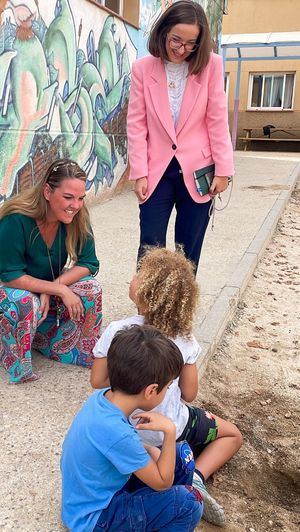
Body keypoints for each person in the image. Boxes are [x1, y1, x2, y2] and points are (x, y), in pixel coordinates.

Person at [91, 248, 243, 526]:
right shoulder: (185, 341)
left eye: (139, 274)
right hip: (171, 426)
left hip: (127, 431)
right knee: (232, 435)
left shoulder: (117, 331)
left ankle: (182, 473)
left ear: (147, 293)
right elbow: (189, 393)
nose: (133, 277)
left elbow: (97, 381)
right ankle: (197, 476)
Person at [61, 325, 203, 532]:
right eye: (168, 386)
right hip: (96, 518)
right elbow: (162, 483)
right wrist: (170, 431)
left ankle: (161, 514)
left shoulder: (103, 400)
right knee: (189, 504)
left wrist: (150, 450)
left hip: (96, 497)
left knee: (183, 456)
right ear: (151, 390)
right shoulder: (116, 431)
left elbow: (114, 448)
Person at [127, 0, 234, 273]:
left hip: (199, 171)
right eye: (176, 39)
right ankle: (147, 309)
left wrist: (223, 170)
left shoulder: (211, 66)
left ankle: (177, 312)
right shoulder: (142, 68)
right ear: (163, 31)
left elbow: (217, 121)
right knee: (150, 246)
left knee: (188, 249)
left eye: (190, 43)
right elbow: (137, 124)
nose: (181, 49)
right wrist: (139, 172)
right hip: (156, 171)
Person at [0, 158, 102, 384]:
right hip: (10, 290)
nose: (75, 205)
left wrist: (55, 286)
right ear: (47, 191)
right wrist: (57, 289)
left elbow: (89, 263)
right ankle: (14, 355)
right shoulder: (16, 219)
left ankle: (73, 347)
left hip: (43, 286)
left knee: (90, 288)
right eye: (68, 197)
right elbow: (10, 275)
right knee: (26, 301)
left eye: (81, 198)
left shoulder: (76, 217)